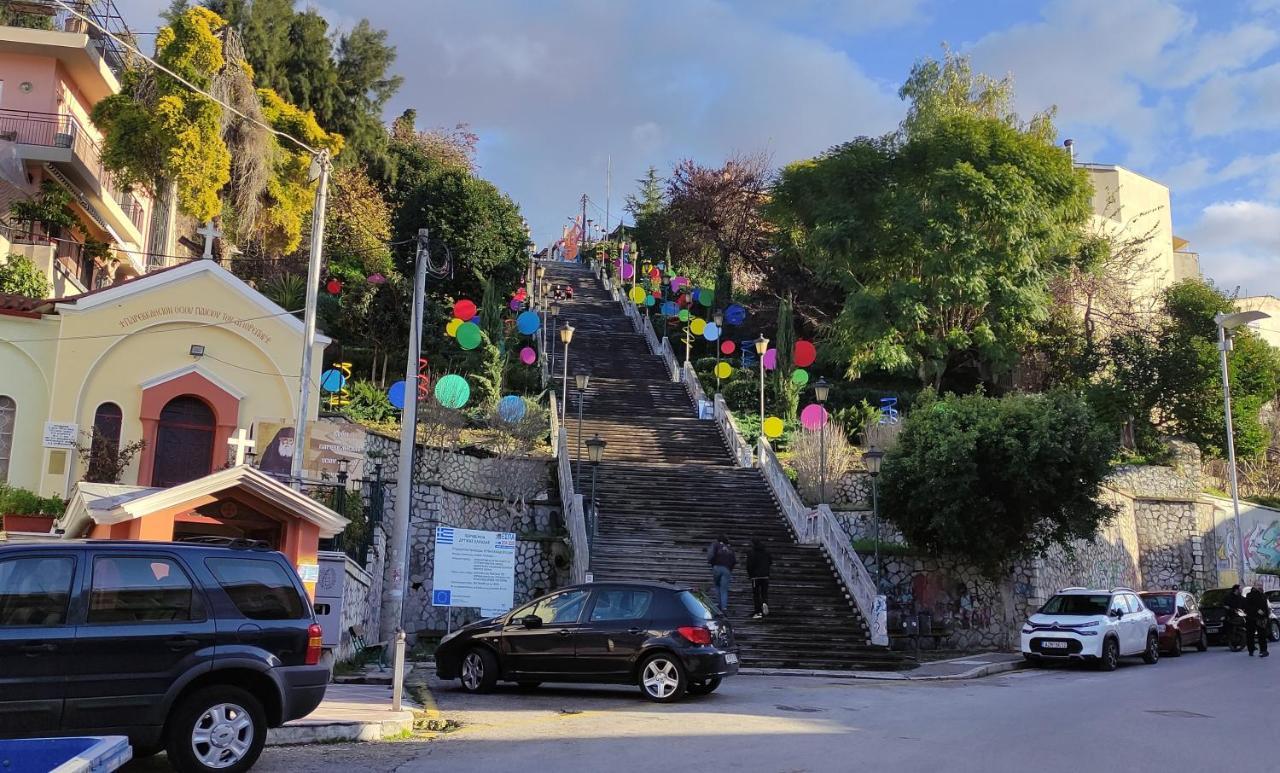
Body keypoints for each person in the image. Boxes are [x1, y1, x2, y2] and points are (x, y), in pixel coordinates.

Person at [707, 536, 736, 613]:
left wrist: (711, 563)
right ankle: (724, 608)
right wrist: (730, 569)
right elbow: (734, 560)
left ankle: (719, 605)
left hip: (716, 567)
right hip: (726, 569)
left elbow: (710, 555)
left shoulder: (715, 545)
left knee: (717, 586)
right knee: (724, 590)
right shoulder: (730, 549)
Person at [747, 539, 772, 619]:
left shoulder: (752, 553)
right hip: (765, 576)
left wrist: (750, 575)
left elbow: (749, 565)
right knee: (764, 593)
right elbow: (770, 561)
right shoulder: (766, 552)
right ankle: (765, 603)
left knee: (756, 594)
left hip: (755, 577)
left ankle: (758, 611)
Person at [1245, 585, 1271, 657]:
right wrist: (1260, 612)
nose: (1261, 588)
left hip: (1251, 618)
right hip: (1259, 618)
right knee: (1261, 635)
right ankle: (1263, 651)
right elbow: (1264, 607)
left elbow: (1247, 606)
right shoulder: (1260, 595)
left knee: (1250, 635)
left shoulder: (1249, 595)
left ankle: (1251, 650)